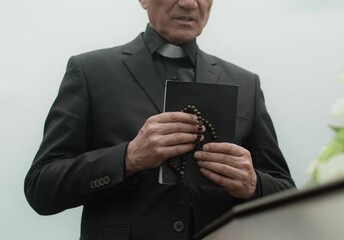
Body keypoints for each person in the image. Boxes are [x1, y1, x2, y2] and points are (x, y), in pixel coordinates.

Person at [24, 0, 295, 239]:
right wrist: (127, 158)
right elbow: (40, 187)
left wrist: (253, 185)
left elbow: (287, 196)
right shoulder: (90, 72)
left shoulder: (246, 83)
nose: (189, 3)